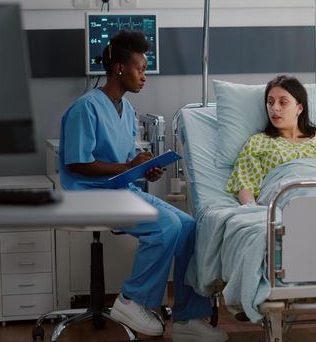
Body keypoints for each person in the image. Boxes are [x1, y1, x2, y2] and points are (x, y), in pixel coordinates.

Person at [59, 29, 227, 342]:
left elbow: (121, 163)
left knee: (189, 226)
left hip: (119, 191)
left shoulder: (128, 110)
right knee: (164, 226)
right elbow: (77, 163)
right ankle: (132, 300)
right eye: (140, 68)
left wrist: (143, 168)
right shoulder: (86, 107)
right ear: (120, 68)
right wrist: (129, 166)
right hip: (87, 196)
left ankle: (188, 318)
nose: (144, 76)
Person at [226, 75, 316, 205]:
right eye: (270, 102)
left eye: (283, 102)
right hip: (286, 202)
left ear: (299, 108)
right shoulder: (258, 142)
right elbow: (244, 183)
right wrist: (253, 210)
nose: (274, 108)